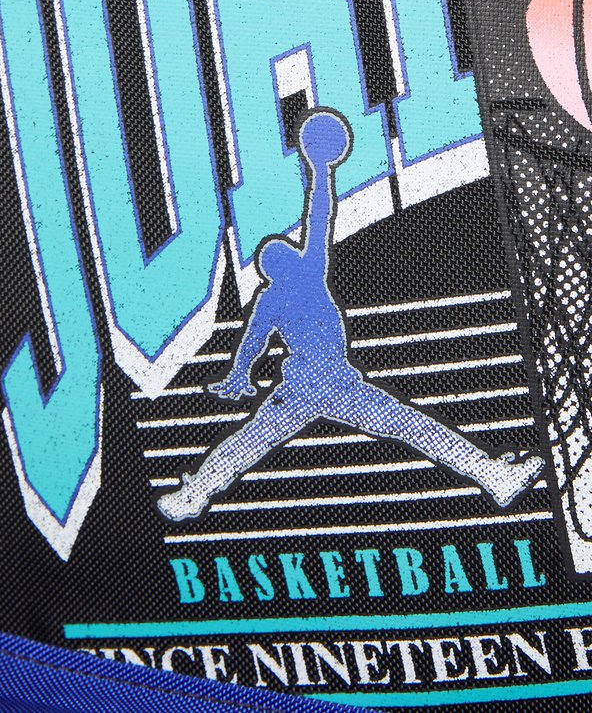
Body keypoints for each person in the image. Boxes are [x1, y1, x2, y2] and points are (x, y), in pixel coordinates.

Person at [157, 108, 544, 521]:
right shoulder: (303, 275)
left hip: (321, 385)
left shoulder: (276, 294)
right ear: (279, 265)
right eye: (281, 251)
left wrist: (239, 375)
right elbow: (318, 216)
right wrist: (321, 169)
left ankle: (195, 492)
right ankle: (492, 475)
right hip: (320, 384)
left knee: (250, 442)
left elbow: (253, 341)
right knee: (412, 427)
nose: (287, 249)